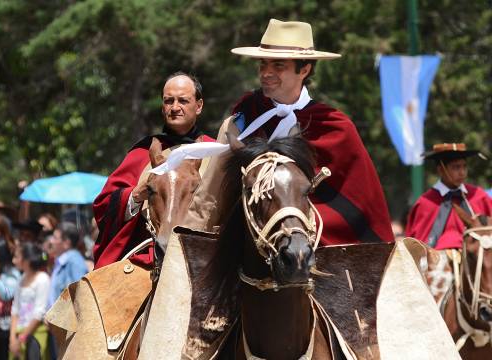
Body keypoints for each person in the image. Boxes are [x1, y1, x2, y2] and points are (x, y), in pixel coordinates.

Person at [159, 19, 393, 245]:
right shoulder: (242, 121)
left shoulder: (335, 129)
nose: (266, 72)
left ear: (305, 69)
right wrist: (187, 247)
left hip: (314, 248)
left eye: (278, 65)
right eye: (263, 63)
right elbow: (208, 198)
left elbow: (361, 205)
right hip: (242, 248)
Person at [92, 72, 214, 269]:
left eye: (183, 100)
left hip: (206, 260)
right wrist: (136, 195)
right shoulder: (141, 153)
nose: (175, 107)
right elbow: (103, 206)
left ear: (198, 105)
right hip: (149, 259)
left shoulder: (216, 152)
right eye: (169, 101)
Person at [405, 143, 492, 249]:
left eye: (464, 166)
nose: (462, 173)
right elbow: (416, 246)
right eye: (456, 168)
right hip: (438, 259)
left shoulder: (479, 196)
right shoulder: (425, 202)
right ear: (441, 170)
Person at [9, 243, 50, 360]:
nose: (14, 260)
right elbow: (15, 309)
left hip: (35, 334)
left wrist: (21, 338)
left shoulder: (43, 279)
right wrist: (12, 338)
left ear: (27, 260)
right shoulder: (21, 278)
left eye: (17, 257)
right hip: (18, 334)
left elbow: (39, 313)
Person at [47, 222, 88, 308]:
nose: (51, 241)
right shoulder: (61, 261)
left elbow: (80, 297)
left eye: (55, 238)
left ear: (66, 243)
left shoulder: (75, 262)